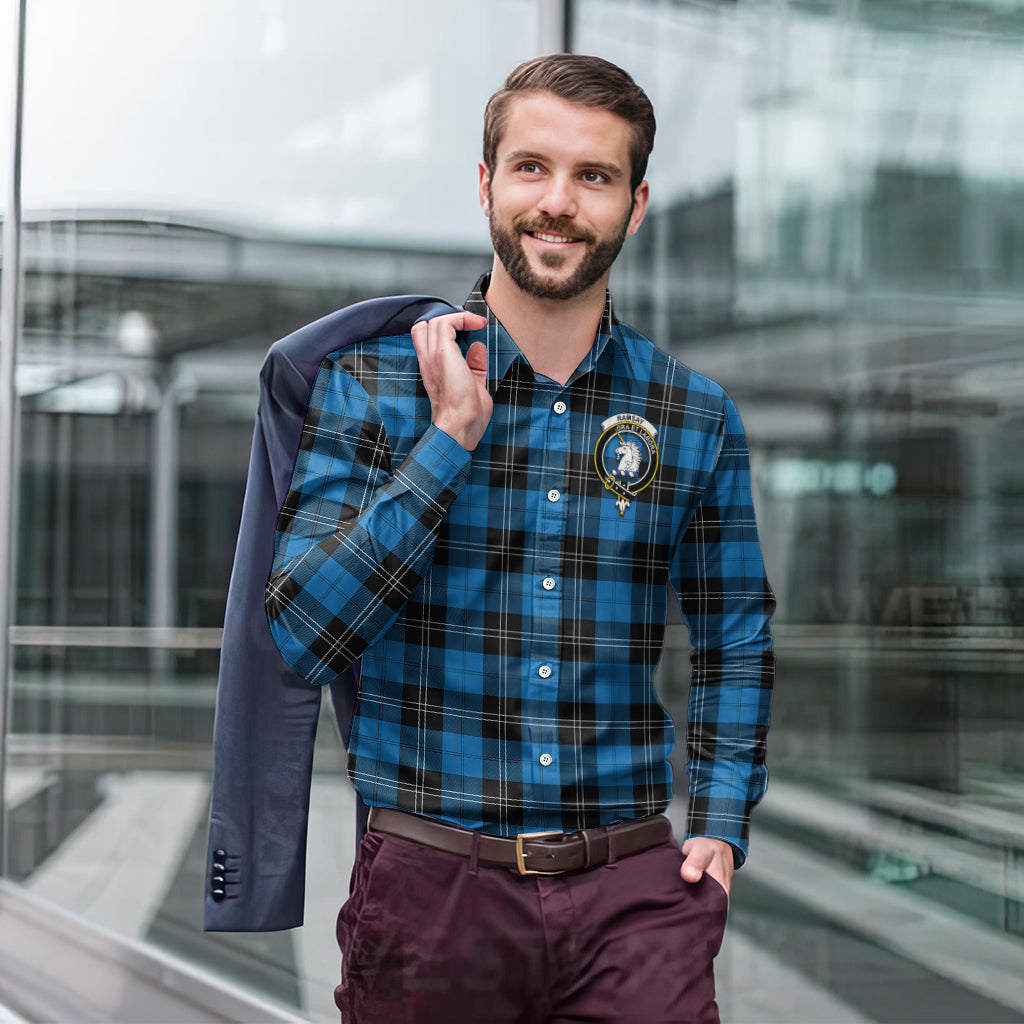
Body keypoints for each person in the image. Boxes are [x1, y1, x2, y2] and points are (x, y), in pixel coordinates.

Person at [264, 53, 775, 1023]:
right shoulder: (372, 388)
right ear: (487, 182)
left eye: (595, 176)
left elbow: (735, 631)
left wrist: (718, 822)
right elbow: (299, 635)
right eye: (533, 167)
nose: (559, 202)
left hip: (633, 899)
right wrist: (448, 441)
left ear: (636, 203)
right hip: (431, 895)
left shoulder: (693, 414)